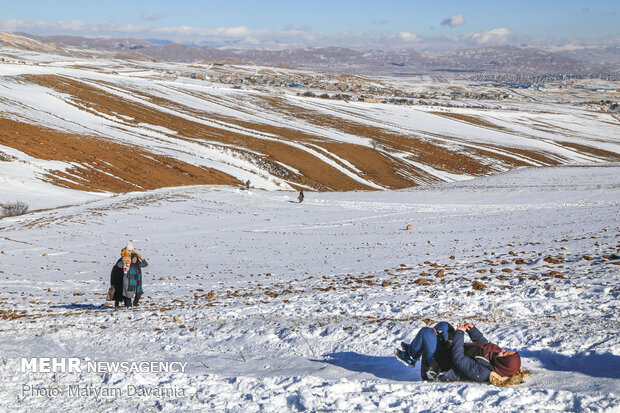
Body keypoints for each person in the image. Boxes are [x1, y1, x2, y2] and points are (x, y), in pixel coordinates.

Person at [449, 323, 526, 386]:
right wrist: (473, 331)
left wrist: (459, 333)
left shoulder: (483, 373)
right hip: (450, 347)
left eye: (504, 353)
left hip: (444, 360)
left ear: (502, 363)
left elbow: (458, 359)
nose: (502, 350)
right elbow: (484, 346)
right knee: (444, 325)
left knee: (440, 331)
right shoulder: (496, 358)